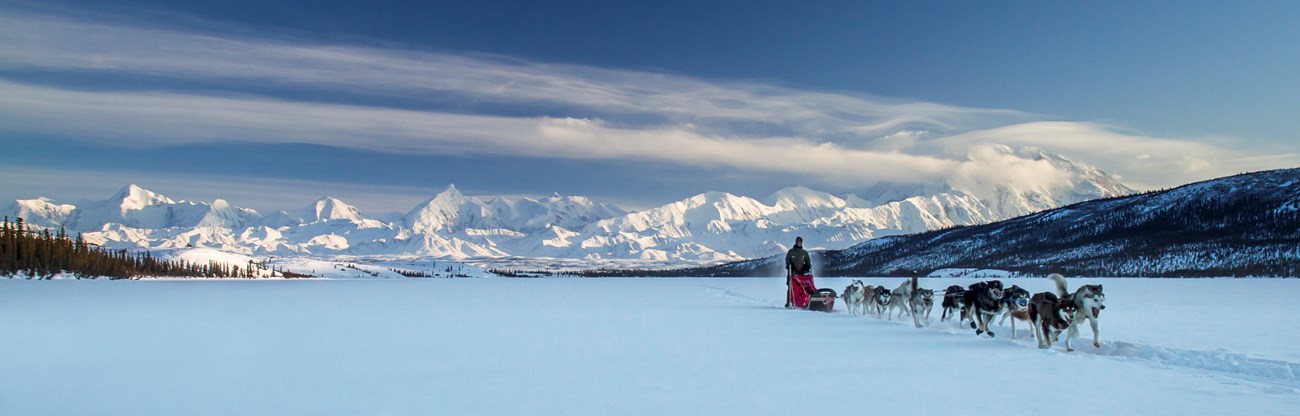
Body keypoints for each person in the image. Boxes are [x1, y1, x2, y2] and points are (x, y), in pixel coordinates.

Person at [785, 236, 813, 308]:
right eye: (798, 242)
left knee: (803, 287)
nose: (799, 243)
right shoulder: (791, 252)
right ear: (796, 242)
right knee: (791, 287)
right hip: (792, 272)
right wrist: (789, 265)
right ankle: (789, 302)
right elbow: (787, 260)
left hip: (802, 274)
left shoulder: (804, 252)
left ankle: (804, 301)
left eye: (800, 242)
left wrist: (808, 267)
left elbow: (808, 261)